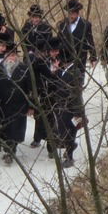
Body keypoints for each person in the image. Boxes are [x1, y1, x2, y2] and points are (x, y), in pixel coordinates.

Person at [0, 43, 37, 164]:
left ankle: (10, 152)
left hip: (19, 105)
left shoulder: (24, 69)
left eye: (13, 55)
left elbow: (31, 89)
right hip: (3, 105)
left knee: (15, 130)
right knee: (5, 129)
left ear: (17, 56)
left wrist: (31, 106)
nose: (10, 58)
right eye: (8, 55)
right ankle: (8, 148)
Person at [47, 39, 86, 168]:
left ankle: (69, 157)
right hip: (60, 106)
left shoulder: (75, 73)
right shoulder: (61, 70)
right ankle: (70, 147)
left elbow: (76, 94)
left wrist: (78, 113)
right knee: (63, 132)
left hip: (71, 108)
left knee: (69, 133)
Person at [57, 0, 97, 71]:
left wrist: (93, 57)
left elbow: (90, 42)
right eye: (70, 13)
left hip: (79, 59)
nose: (71, 16)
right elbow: (58, 41)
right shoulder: (62, 25)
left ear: (77, 13)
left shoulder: (85, 25)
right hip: (64, 60)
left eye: (73, 13)